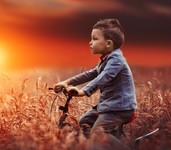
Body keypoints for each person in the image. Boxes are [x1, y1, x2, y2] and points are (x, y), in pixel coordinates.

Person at [54, 18, 137, 150]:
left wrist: (83, 91)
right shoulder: (106, 59)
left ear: (108, 43)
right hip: (108, 105)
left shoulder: (116, 61)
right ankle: (101, 145)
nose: (90, 42)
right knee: (84, 122)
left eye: (95, 38)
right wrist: (67, 82)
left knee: (97, 134)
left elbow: (104, 77)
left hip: (119, 108)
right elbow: (92, 73)